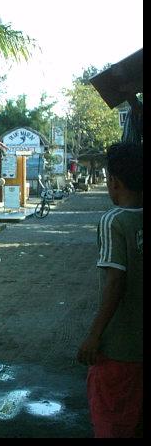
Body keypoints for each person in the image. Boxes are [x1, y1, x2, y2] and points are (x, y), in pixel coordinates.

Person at [76, 142, 142, 438]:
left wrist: (94, 335)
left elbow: (116, 282)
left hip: (118, 348)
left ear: (114, 181)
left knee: (111, 423)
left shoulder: (114, 220)